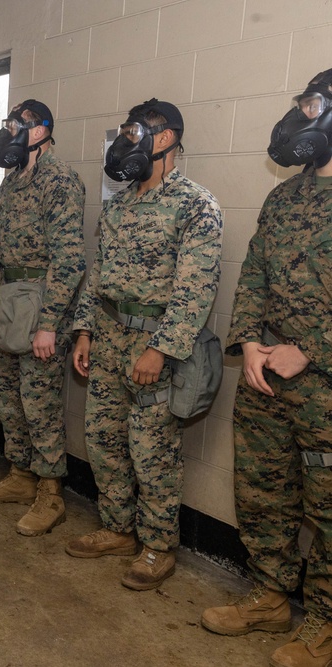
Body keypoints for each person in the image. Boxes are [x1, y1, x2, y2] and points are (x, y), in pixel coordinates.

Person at [199, 68, 332, 667]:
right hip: (266, 370)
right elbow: (253, 273)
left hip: (323, 381)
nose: (303, 115)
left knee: (328, 506)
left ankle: (326, 624)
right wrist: (249, 342)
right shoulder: (287, 194)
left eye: (314, 105)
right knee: (263, 493)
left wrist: (311, 347)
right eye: (303, 104)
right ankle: (272, 595)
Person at [68, 99, 222, 590]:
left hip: (153, 344)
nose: (127, 141)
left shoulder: (196, 205)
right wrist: (86, 330)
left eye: (137, 132)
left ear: (166, 138)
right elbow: (98, 275)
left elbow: (196, 288)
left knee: (151, 448)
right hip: (109, 334)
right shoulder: (120, 203)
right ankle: (117, 527)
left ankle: (157, 545)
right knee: (104, 438)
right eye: (125, 131)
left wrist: (160, 349)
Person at [0, 100, 86, 537]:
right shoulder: (11, 181)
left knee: (40, 404)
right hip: (8, 302)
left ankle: (50, 492)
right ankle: (20, 476)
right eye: (7, 125)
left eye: (17, 125)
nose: (9, 132)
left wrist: (49, 323)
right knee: (7, 396)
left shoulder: (59, 180)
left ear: (40, 131)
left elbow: (70, 259)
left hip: (41, 302)